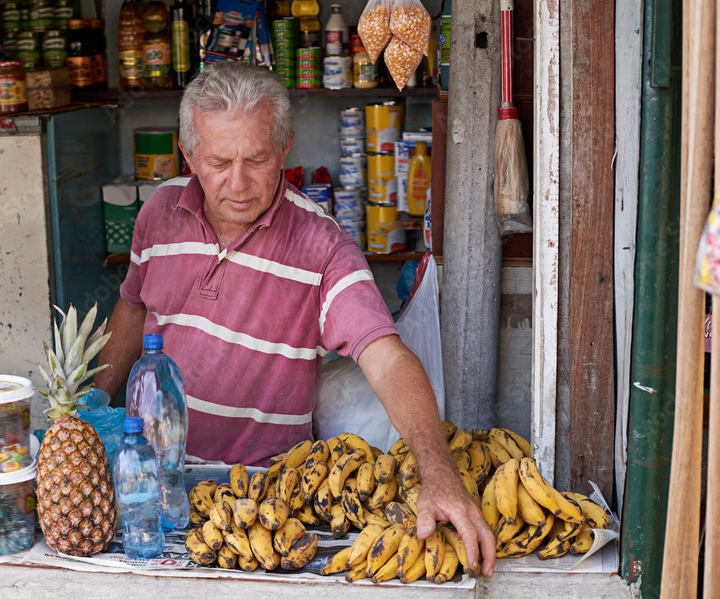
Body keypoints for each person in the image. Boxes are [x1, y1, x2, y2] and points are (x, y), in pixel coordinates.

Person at [96, 61, 496, 576]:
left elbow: (388, 359)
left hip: (261, 512)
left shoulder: (323, 248)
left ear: (284, 149)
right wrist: (93, 407)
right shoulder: (158, 214)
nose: (238, 184)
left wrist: (439, 474)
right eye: (218, 162)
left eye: (257, 159)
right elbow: (133, 306)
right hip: (152, 494)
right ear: (189, 154)